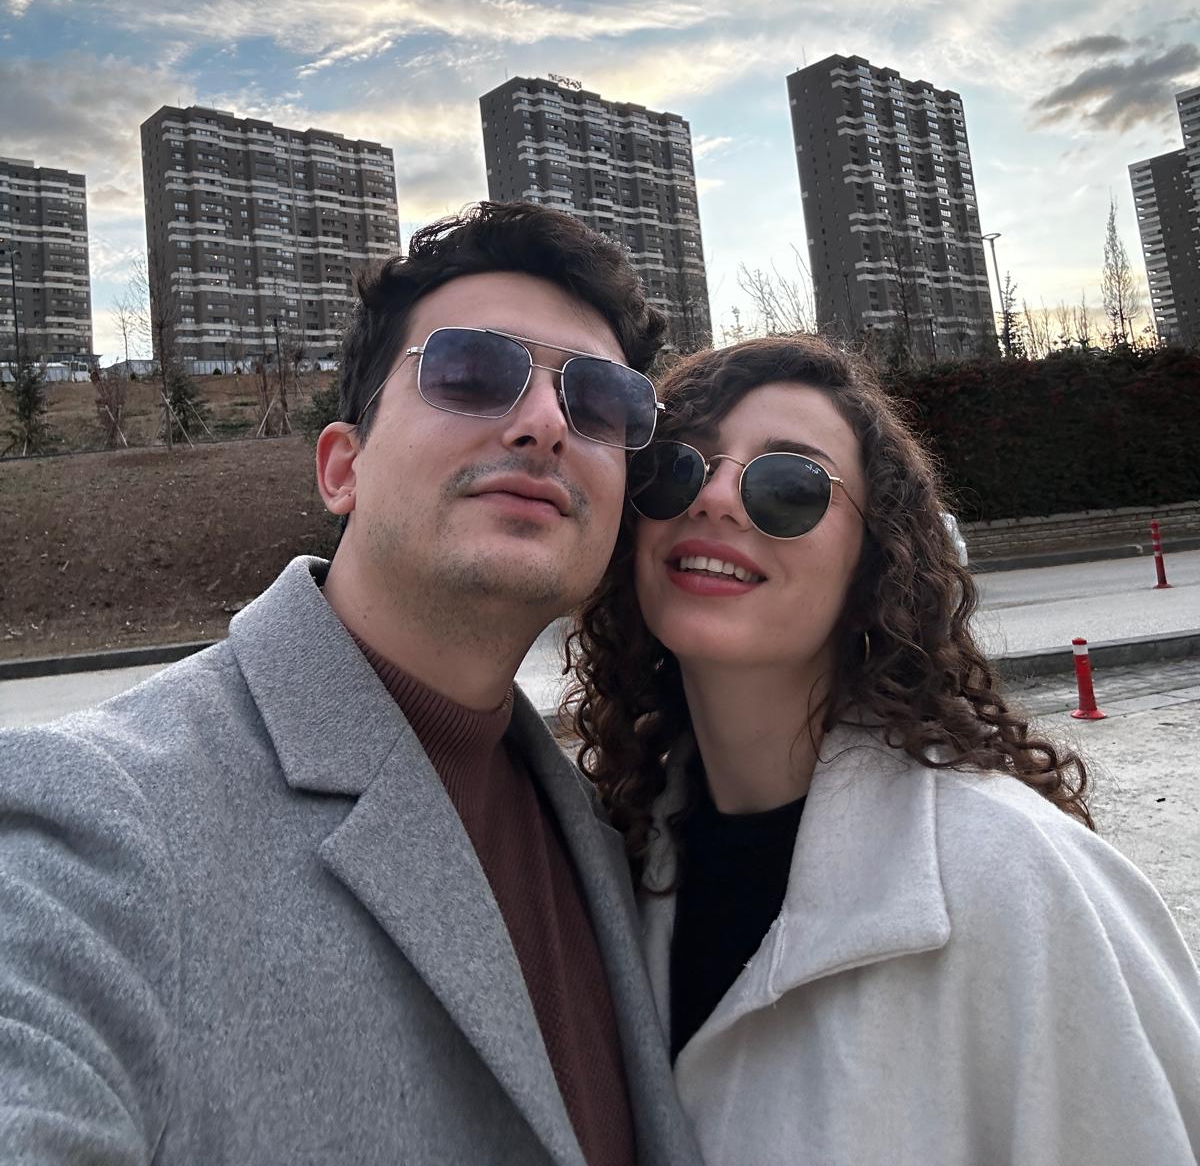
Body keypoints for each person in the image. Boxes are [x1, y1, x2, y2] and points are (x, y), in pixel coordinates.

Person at [0, 202, 699, 1166]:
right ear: (343, 468)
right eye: (470, 372)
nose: (544, 423)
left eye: (601, 402)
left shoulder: (608, 836)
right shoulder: (100, 824)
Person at [567, 334, 1200, 1166]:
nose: (716, 497)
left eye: (788, 485)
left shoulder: (1018, 880)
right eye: (678, 467)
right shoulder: (606, 868)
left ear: (877, 564)